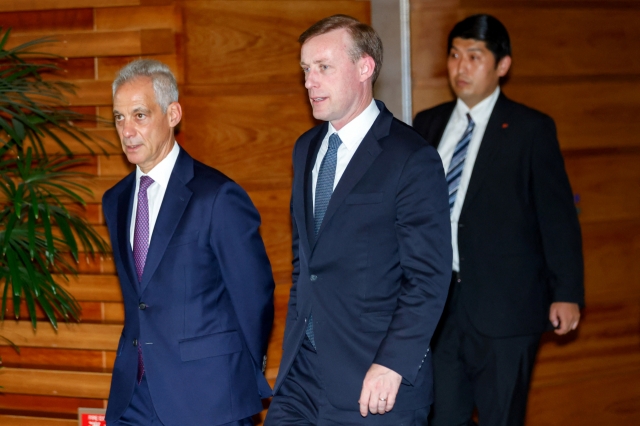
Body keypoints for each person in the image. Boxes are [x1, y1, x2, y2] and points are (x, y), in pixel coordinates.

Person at [265, 15, 452, 426]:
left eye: (324, 68)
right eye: (306, 70)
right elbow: (306, 265)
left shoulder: (410, 158)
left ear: (365, 68)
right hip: (302, 378)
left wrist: (394, 364)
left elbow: (429, 276)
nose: (310, 81)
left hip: (374, 381)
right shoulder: (306, 149)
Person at [413, 14, 585, 426]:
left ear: (502, 65)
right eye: (454, 55)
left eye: (475, 56)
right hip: (438, 308)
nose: (461, 67)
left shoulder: (530, 129)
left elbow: (557, 215)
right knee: (440, 417)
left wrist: (568, 291)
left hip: (506, 310)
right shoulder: (428, 123)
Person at [103, 59, 274, 426]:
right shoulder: (115, 200)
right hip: (133, 398)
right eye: (118, 118)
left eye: (139, 115)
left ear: (173, 113)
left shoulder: (217, 196)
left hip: (208, 398)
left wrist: (236, 373)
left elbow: (254, 295)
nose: (127, 130)